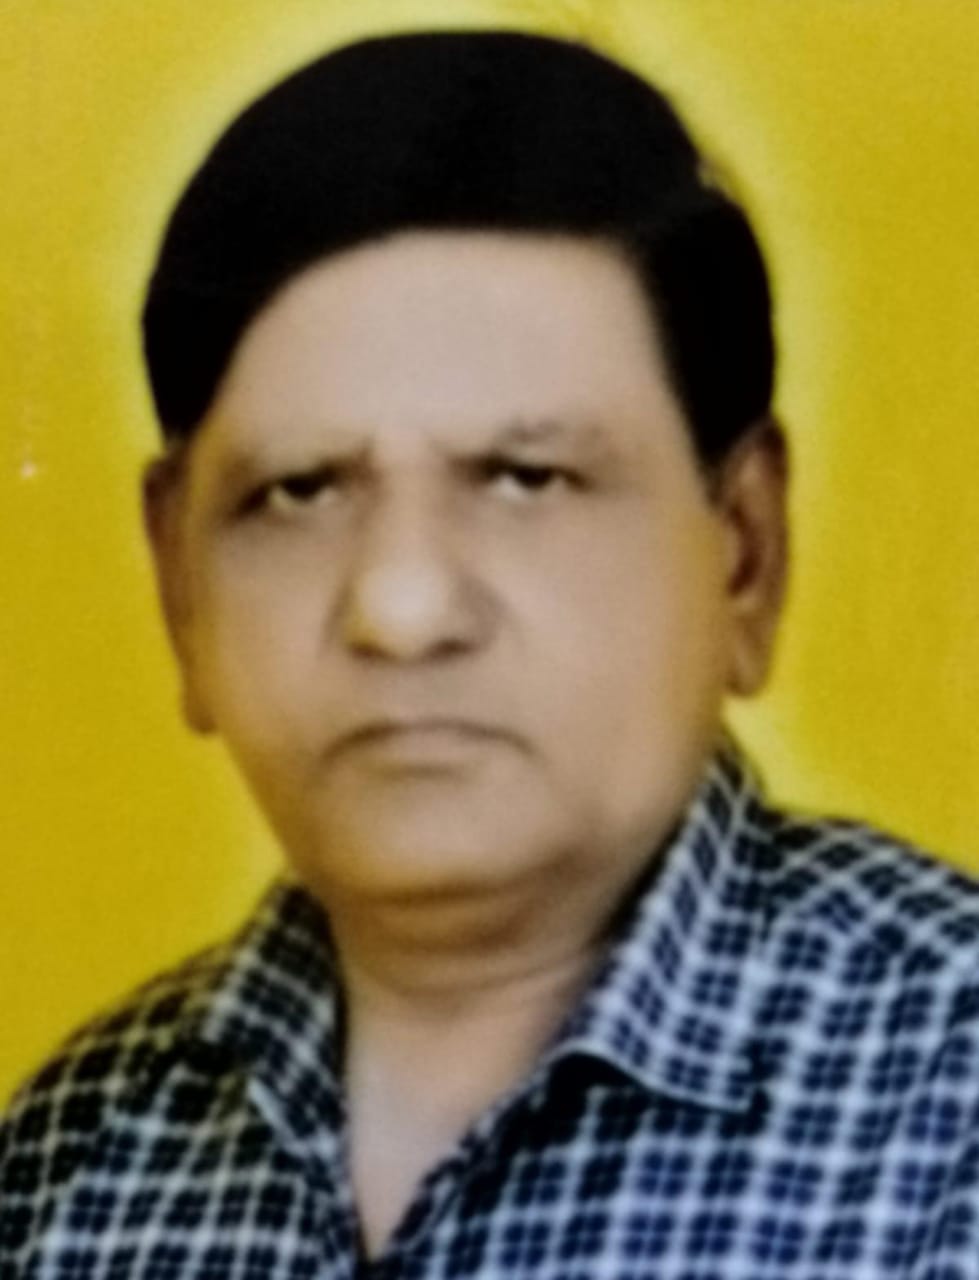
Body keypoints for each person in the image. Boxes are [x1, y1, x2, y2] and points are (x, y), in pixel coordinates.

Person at [2, 28, 978, 1280]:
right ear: (180, 581)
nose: (401, 607)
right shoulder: (66, 1156)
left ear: (743, 547)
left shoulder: (948, 1096)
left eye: (526, 477)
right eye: (299, 491)